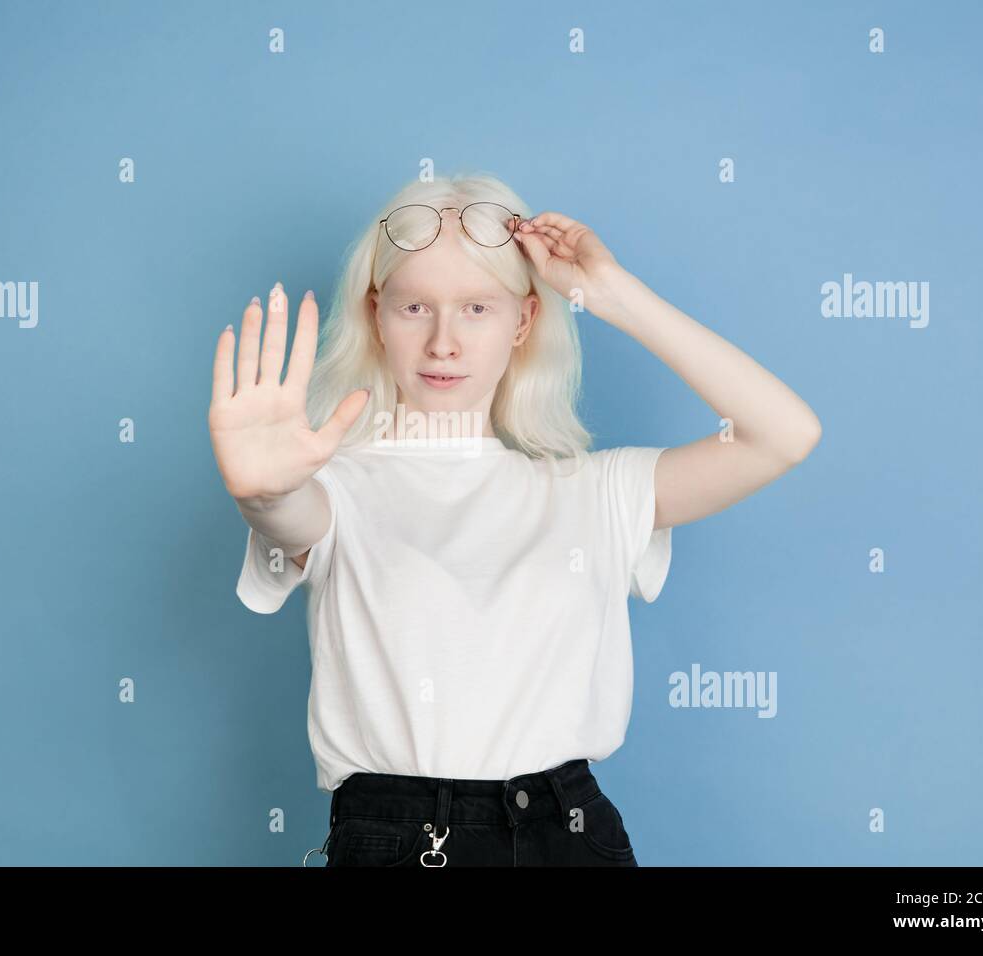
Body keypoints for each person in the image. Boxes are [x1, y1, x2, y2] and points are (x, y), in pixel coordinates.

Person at [207, 172, 821, 866]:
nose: (444, 342)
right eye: (415, 307)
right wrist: (261, 495)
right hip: (398, 838)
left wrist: (612, 295)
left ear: (525, 320)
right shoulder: (333, 486)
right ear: (376, 313)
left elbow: (784, 434)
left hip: (572, 835)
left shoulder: (594, 490)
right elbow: (292, 516)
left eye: (477, 308)